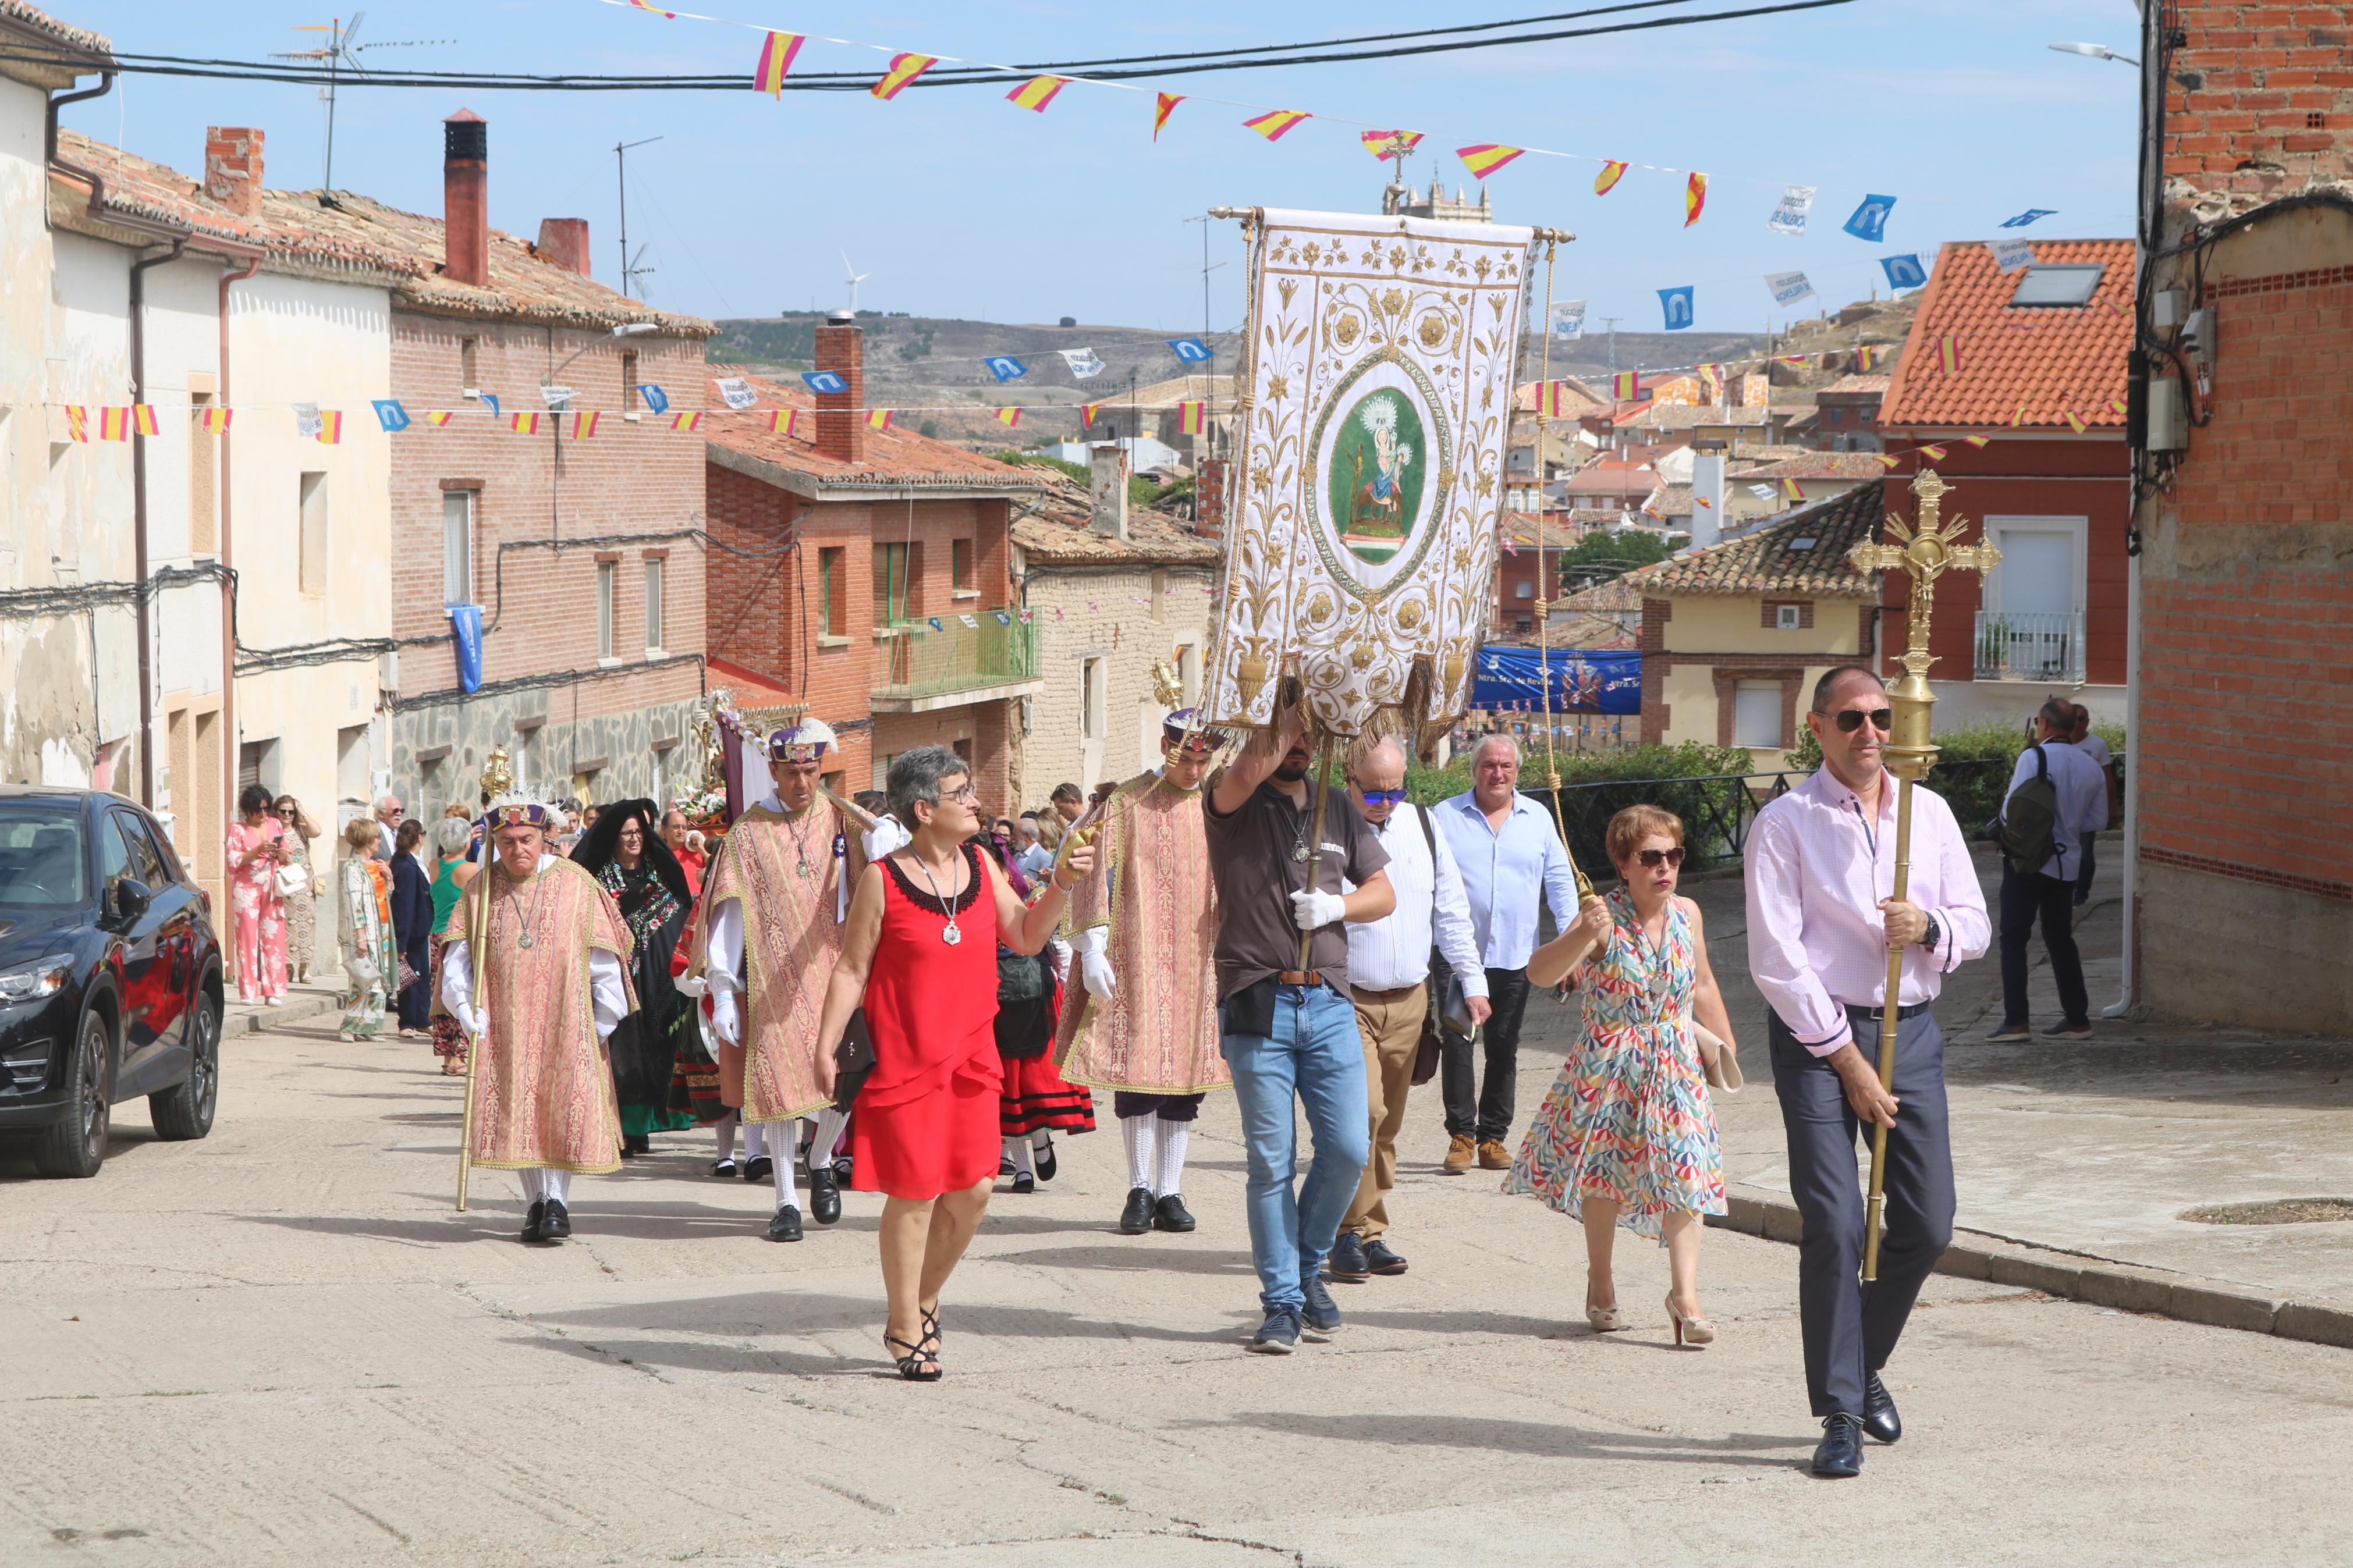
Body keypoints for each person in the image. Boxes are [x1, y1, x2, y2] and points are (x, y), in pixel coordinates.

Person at [1745, 664, 1990, 1477]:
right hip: (1818, 1037)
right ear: (1815, 726)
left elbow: (1974, 926)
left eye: (1879, 716)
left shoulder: (1931, 814)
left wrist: (1926, 927)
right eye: (1849, 718)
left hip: (1908, 1028)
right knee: (1837, 1220)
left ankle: (1860, 1355)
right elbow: (1776, 961)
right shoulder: (1784, 822)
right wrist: (1845, 1058)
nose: (1868, 732)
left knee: (1926, 1221)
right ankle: (1840, 1409)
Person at [810, 746, 1092, 1379]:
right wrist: (825, 1047)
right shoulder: (882, 880)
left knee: (975, 1189)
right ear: (923, 809)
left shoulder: (983, 862)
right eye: (960, 792)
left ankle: (923, 1294)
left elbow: (1023, 935)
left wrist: (1063, 885)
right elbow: (851, 969)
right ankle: (903, 1322)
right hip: (903, 1060)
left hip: (971, 1056)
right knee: (912, 1195)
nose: (973, 800)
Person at [1507, 805, 1736, 1345]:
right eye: (1650, 857)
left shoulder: (1688, 913)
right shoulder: (1601, 917)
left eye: (1673, 855)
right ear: (1623, 863)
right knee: (1603, 1177)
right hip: (1609, 1066)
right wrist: (1580, 934)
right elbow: (1541, 973)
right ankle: (1601, 1278)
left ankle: (1685, 1298)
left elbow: (1702, 982)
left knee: (1688, 1175)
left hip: (1676, 1061)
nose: (1665, 866)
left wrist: (1724, 1052)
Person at [1204, 702, 1394, 1353]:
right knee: (1270, 1164)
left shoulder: (1336, 806)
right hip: (1258, 998)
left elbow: (1384, 892)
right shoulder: (1231, 800)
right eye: (1287, 734)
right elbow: (1246, 769)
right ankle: (1282, 1300)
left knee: (1346, 1148)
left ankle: (1309, 1263)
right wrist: (1283, 714)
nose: (1298, 745)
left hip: (1329, 1001)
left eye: (1309, 734)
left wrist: (1338, 904)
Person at [690, 719, 900, 1240]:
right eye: (791, 773)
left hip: (838, 971)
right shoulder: (749, 831)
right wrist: (722, 989)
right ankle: (785, 1199)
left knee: (846, 1080)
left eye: (811, 771)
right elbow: (729, 913)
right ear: (773, 771)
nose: (803, 783)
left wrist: (888, 840)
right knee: (782, 1089)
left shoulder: (842, 818)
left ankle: (822, 1155)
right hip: (772, 980)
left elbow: (880, 878)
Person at [1055, 710, 1234, 1233]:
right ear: (1165, 746)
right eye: (1187, 759)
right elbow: (1085, 861)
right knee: (1139, 1070)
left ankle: (1170, 1191)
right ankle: (1138, 1188)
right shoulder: (1126, 800)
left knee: (1185, 1080)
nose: (1195, 770)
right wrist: (1091, 947)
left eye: (1204, 761)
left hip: (1200, 958)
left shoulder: (1216, 806)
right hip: (1136, 952)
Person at [1328, 735, 1490, 1283]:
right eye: (1373, 793)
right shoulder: (1327, 829)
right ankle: (1345, 1232)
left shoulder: (1423, 825)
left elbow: (1450, 910)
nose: (1385, 802)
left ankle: (1369, 1230)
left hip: (1410, 998)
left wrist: (1473, 981)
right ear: (1349, 782)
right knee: (1361, 1116)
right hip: (1346, 998)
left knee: (1389, 1123)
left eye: (1396, 790)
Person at [441, 794, 638, 1245]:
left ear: (545, 836)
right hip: (505, 1020)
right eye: (506, 841)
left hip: (566, 1018)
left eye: (526, 840)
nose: (517, 850)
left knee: (558, 1107)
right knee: (520, 1112)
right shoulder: (481, 889)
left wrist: (601, 1020)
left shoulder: (577, 885)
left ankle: (558, 1202)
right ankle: (536, 1202)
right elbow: (456, 960)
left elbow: (604, 961)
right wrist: (464, 1006)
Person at [1430, 734, 1582, 1174]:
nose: (1497, 773)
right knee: (1457, 1042)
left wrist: (1570, 946)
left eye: (1506, 766)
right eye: (1488, 765)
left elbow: (1559, 884)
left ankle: (1493, 1138)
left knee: (1503, 1047)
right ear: (1473, 769)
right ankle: (1461, 1133)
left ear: (1516, 771)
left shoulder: (1537, 817)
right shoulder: (1445, 816)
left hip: (1517, 956)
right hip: (1460, 955)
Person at [573, 801, 698, 1156]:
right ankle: (624, 1128)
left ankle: (653, 1123)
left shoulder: (659, 873)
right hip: (616, 979)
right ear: (613, 837)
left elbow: (681, 913)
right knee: (622, 1051)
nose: (633, 839)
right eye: (627, 833)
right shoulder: (598, 882)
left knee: (658, 1045)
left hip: (657, 982)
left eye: (638, 833)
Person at [975, 830, 1092, 1190]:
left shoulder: (1029, 893)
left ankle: (1040, 1140)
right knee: (1005, 1085)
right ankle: (1022, 1167)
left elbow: (1052, 941)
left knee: (1032, 1082)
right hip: (989, 1000)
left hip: (1035, 995)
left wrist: (1066, 978)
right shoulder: (961, 899)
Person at [1989, 698, 2108, 1042]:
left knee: (2014, 939)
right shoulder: (2089, 765)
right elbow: (2099, 820)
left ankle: (2016, 1021)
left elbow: (2012, 810)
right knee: (2060, 940)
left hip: (2027, 862)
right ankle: (2077, 1018)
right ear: (2074, 726)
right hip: (2066, 863)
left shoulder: (2033, 757)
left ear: (2043, 723)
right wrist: (2067, 826)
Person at [226, 784, 293, 1005]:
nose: (263, 814)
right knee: (247, 938)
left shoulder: (275, 824)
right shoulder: (238, 830)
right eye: (258, 810)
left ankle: (272, 990)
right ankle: (248, 991)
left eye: (266, 809)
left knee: (273, 937)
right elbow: (233, 863)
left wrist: (281, 853)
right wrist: (257, 851)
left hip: (271, 887)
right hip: (246, 888)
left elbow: (287, 855)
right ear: (248, 810)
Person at [428, 816, 478, 1075]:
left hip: (436, 934)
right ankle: (460, 1055)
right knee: (462, 991)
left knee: (441, 994)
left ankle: (448, 1056)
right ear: (467, 842)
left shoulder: (433, 865)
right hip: (459, 935)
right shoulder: (469, 869)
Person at [337, 817, 396, 1040]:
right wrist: (360, 937)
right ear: (367, 839)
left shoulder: (374, 865)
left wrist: (388, 878)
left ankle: (368, 1026)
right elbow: (355, 904)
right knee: (362, 979)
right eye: (377, 837)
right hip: (365, 932)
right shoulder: (353, 868)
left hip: (381, 929)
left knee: (378, 980)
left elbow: (384, 897)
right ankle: (349, 1026)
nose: (379, 841)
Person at [390, 819, 435, 1037]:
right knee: (408, 977)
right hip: (411, 930)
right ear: (419, 837)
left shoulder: (412, 861)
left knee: (422, 975)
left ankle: (422, 1018)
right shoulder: (405, 865)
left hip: (420, 928)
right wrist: (401, 941)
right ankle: (407, 1021)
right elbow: (404, 905)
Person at [2069, 703, 2117, 909]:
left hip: (2086, 810)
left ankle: (2081, 893)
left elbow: (2107, 778)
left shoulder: (2098, 745)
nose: (2078, 723)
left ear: (2088, 722)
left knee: (2085, 855)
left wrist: (2112, 808)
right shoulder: (2058, 743)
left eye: (2082, 719)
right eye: (2075, 718)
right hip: (2061, 810)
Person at [272, 795, 323, 984]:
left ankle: (305, 967)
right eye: (283, 811)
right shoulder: (275, 831)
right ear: (276, 812)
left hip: (304, 885)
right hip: (284, 884)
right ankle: (288, 967)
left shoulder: (300, 829)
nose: (287, 815)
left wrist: (302, 811)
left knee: (306, 926)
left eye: (291, 812)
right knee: (286, 926)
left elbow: (317, 831)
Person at [662, 807, 707, 896]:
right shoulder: (661, 855)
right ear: (664, 830)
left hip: (700, 904)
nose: (681, 832)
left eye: (684, 827)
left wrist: (702, 850)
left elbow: (717, 867)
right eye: (676, 827)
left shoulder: (696, 850)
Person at [1013, 813, 1053, 881]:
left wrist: (1026, 884)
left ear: (1026, 835)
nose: (1012, 838)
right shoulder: (1016, 856)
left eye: (1015, 834)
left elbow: (1047, 885)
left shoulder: (1045, 858)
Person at [372, 792, 404, 862]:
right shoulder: (369, 833)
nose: (399, 814)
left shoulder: (402, 834)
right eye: (396, 811)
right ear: (381, 814)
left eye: (402, 811)